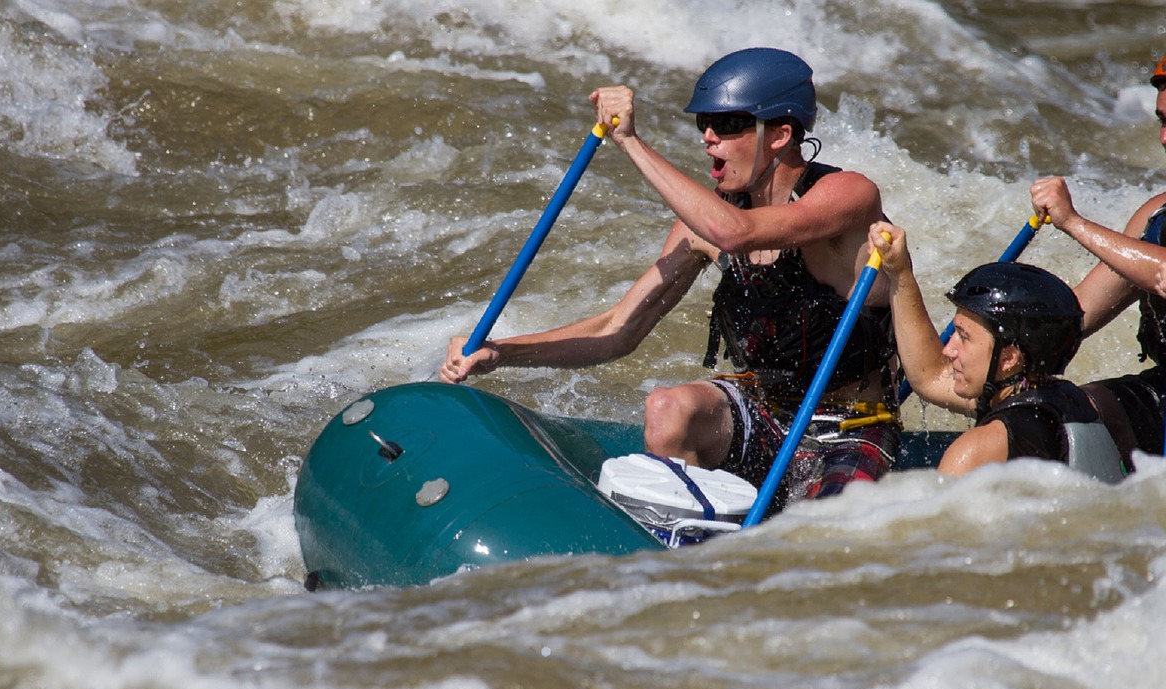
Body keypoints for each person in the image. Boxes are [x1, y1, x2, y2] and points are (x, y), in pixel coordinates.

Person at [441, 47, 896, 510]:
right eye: (705, 125)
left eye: (730, 125)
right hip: (761, 412)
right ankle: (685, 548)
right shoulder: (708, 223)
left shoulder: (846, 197)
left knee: (823, 531)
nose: (710, 138)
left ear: (780, 135)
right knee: (667, 408)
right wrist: (500, 353)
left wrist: (631, 143)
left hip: (847, 427)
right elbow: (618, 330)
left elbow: (736, 234)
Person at [868, 222, 1123, 481]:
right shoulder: (1080, 406)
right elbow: (930, 375)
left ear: (1009, 358)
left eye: (964, 337)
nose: (948, 349)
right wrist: (900, 273)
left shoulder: (975, 451)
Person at [1027, 53, 1166, 463]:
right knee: (1067, 410)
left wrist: (1073, 222)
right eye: (1161, 121)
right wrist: (992, 344)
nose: (1163, 139)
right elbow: (1076, 315)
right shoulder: (1156, 215)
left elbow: (1162, 273)